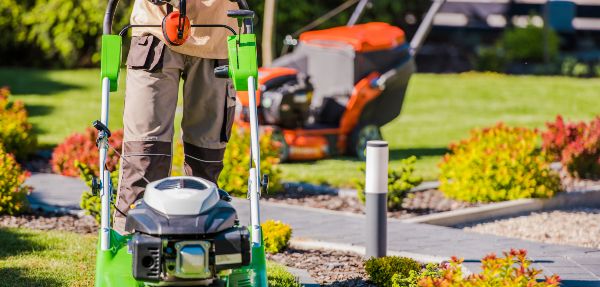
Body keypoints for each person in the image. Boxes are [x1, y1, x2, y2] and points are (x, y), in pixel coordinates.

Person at [113, 0, 239, 233]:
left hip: (217, 35)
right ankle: (128, 235)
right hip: (155, 30)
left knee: (206, 149)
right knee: (145, 147)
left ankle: (204, 233)